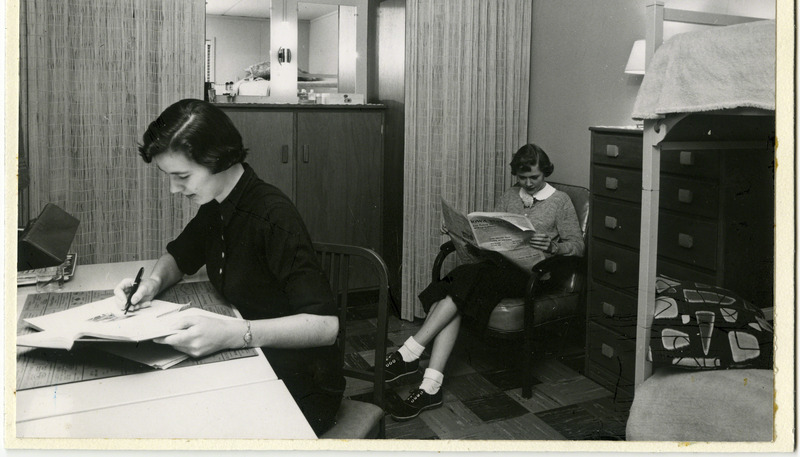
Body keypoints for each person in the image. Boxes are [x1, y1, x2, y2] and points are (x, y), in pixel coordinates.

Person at [114, 99, 344, 435]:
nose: (173, 189)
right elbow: (179, 257)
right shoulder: (216, 205)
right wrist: (152, 284)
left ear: (219, 160)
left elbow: (326, 327)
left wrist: (236, 334)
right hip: (251, 359)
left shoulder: (272, 214)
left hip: (299, 383)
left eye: (182, 177)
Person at [384, 143, 585, 421]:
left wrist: (553, 245)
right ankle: (430, 386)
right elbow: (494, 235)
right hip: (499, 268)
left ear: (545, 173)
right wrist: (463, 233)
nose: (528, 184)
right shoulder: (510, 195)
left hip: (532, 275)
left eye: (534, 178)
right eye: (522, 178)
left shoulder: (560, 201)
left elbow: (577, 245)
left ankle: (410, 352)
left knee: (460, 285)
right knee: (457, 292)